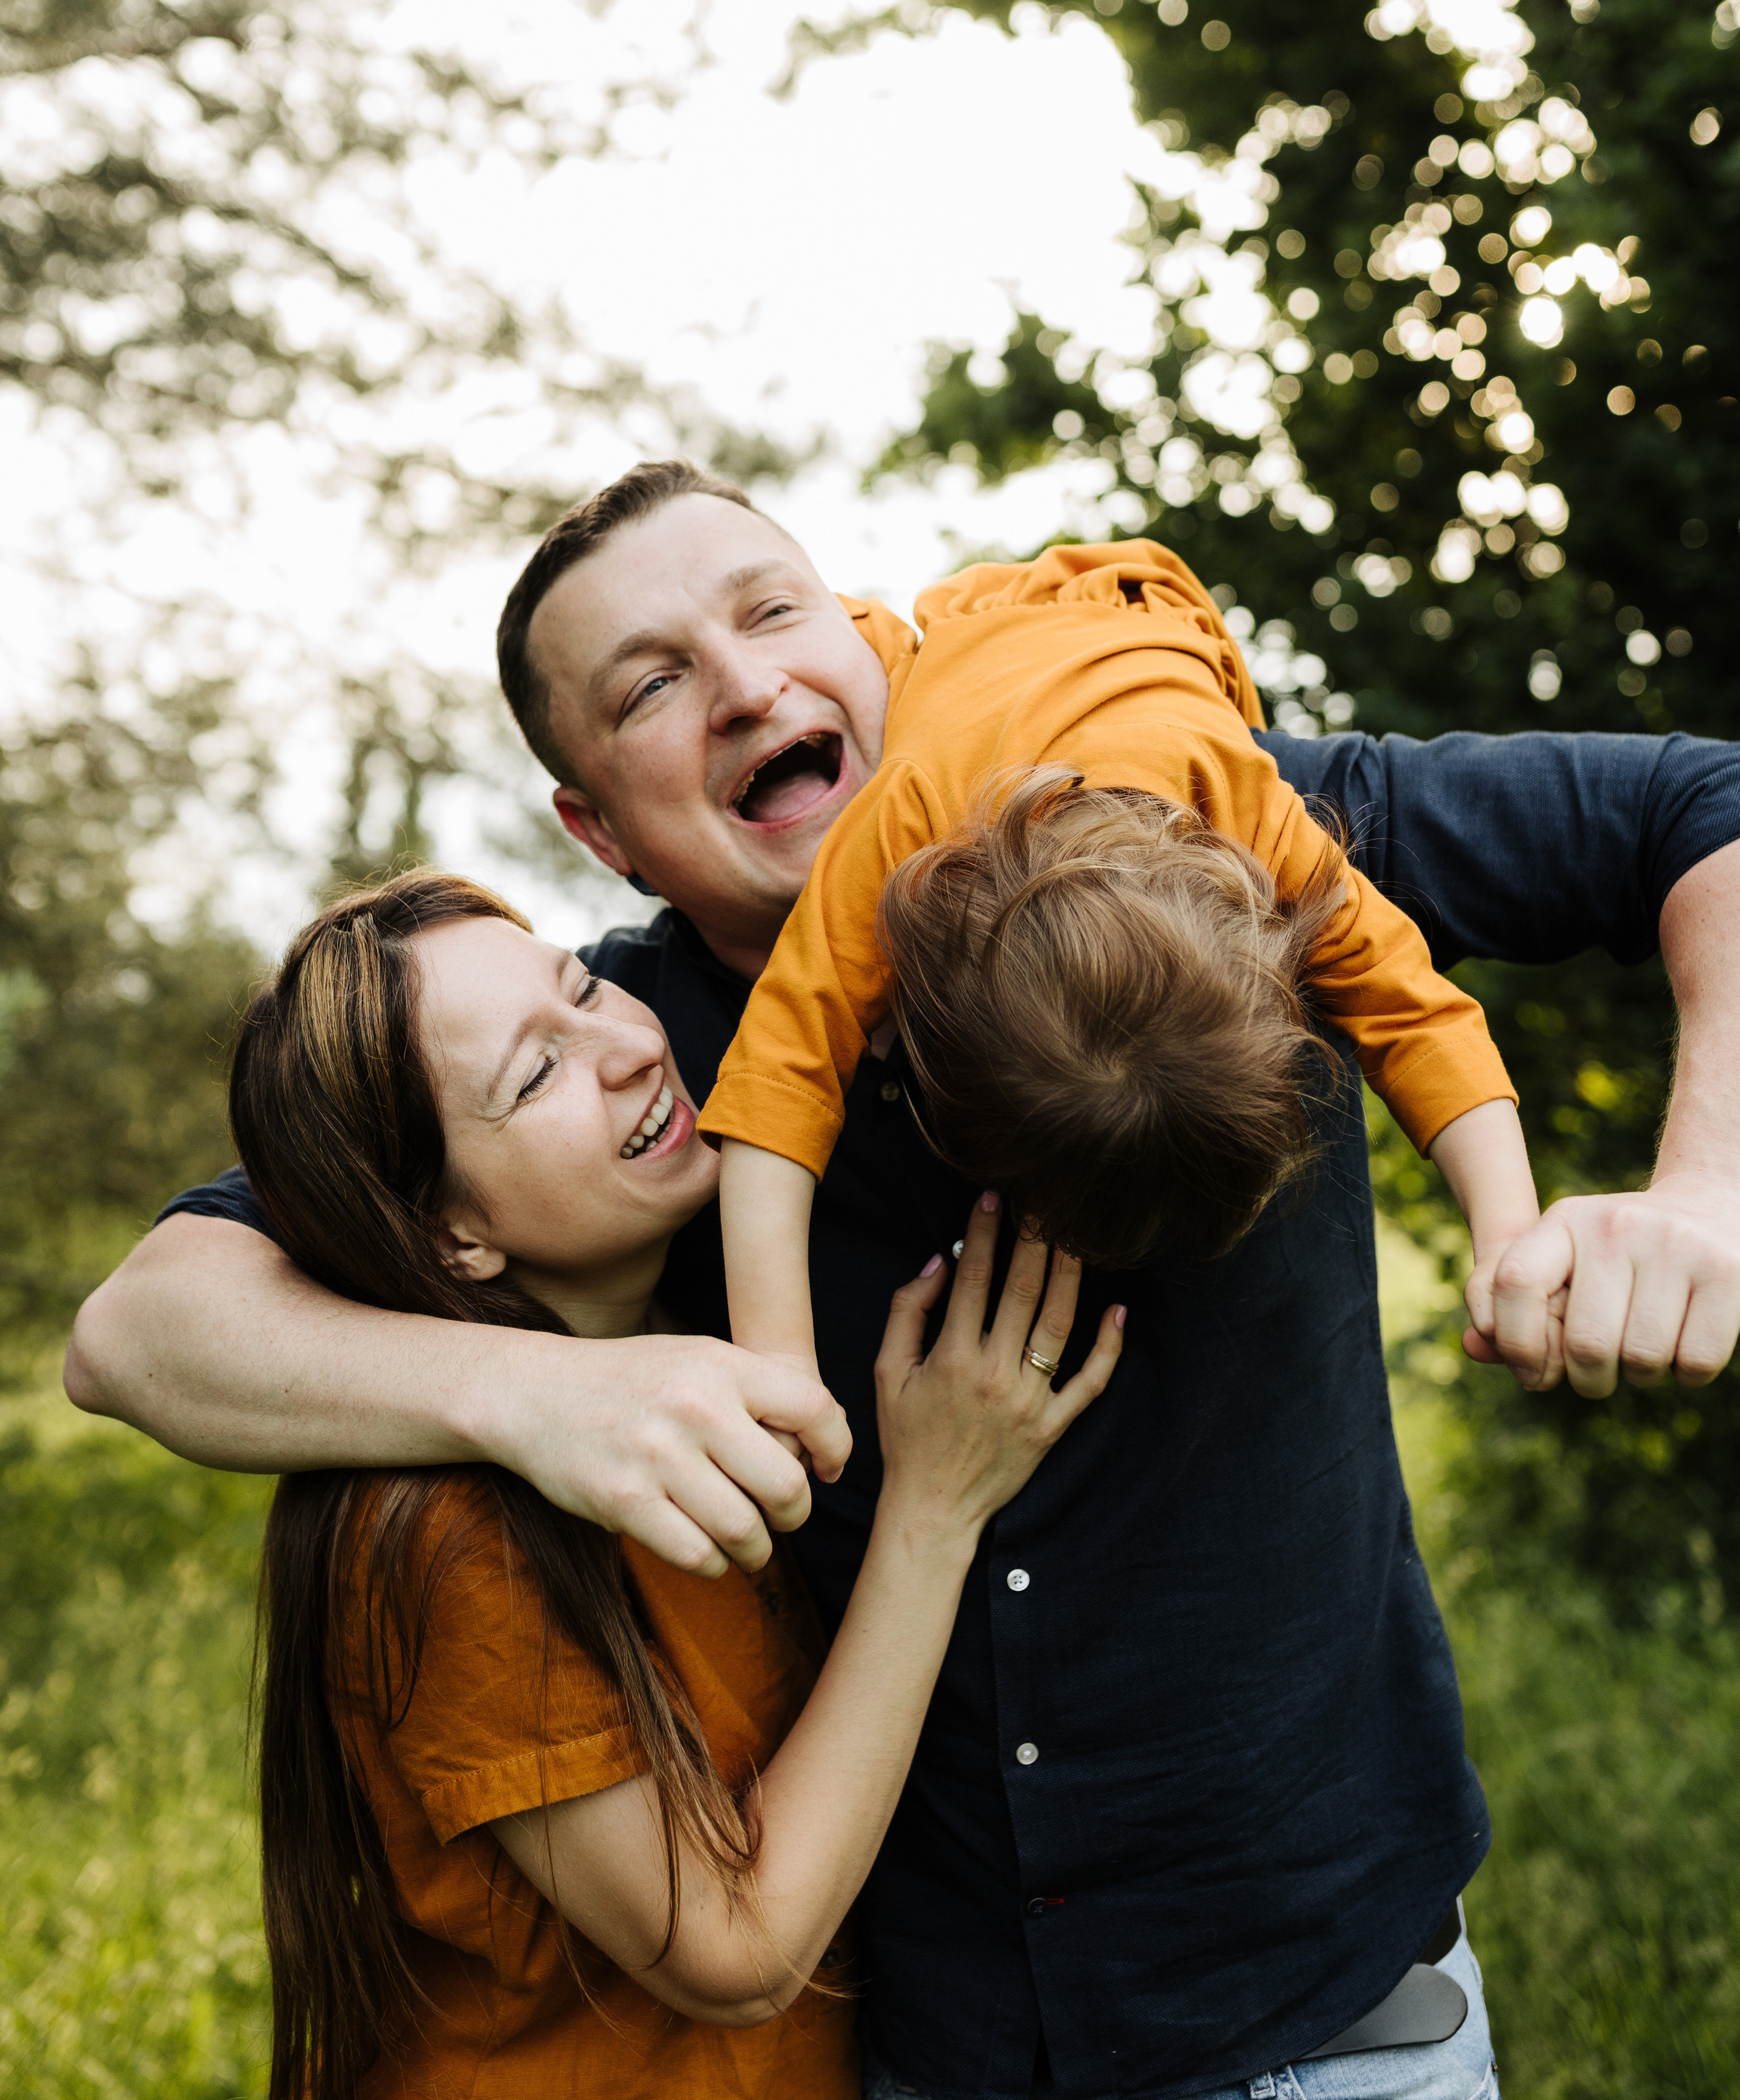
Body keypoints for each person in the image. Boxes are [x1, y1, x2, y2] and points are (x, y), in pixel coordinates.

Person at [65, 459, 1740, 2097]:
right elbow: (139, 1330)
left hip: (1333, 2025)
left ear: (862, 646)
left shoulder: (1191, 808)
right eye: (649, 684)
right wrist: (543, 1392)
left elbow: (1703, 810)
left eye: (771, 610)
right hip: (933, 2049)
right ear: (597, 826)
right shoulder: (636, 1071)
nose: (741, 685)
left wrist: (1703, 1193)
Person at [234, 866, 1119, 2100]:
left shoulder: (689, 1355)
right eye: (536, 1074)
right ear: (450, 1235)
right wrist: (937, 1505)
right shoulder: (444, 1530)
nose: (625, 1049)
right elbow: (737, 1953)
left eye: (586, 988)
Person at [699, 541, 1532, 1397]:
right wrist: (1508, 1239)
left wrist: (779, 1360)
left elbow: (778, 1079)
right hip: (1017, 625)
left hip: (1124, 633)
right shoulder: (912, 811)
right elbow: (1419, 1017)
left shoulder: (1237, 794)